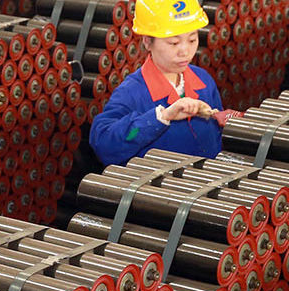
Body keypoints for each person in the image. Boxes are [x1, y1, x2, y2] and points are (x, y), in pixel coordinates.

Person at [89, 0, 239, 167]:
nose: (185, 51)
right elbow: (104, 145)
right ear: (147, 41)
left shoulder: (203, 81)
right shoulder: (131, 93)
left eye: (192, 40)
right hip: (161, 190)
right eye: (174, 43)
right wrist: (161, 117)